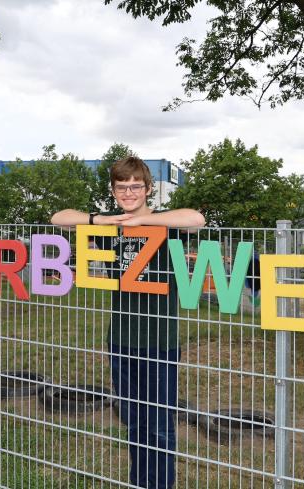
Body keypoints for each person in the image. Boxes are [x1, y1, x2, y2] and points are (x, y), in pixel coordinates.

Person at [51, 157, 204, 489]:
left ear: (148, 189)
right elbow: (59, 218)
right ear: (114, 190)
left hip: (161, 341)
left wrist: (147, 222)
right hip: (121, 341)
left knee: (160, 425)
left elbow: (197, 218)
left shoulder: (167, 226)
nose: (129, 192)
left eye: (136, 186)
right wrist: (101, 219)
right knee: (134, 423)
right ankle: (140, 483)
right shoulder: (110, 228)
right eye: (122, 186)